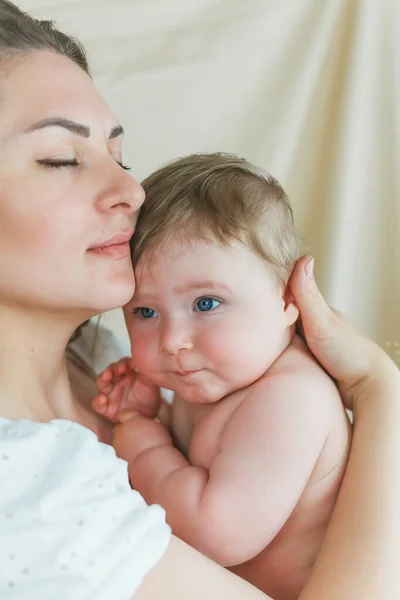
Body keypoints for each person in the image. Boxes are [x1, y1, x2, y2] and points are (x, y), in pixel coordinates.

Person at [0, 1, 398, 599]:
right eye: (61, 159)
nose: (132, 191)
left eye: (118, 155)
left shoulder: (104, 363)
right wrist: (378, 391)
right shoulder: (29, 486)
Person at [93, 153, 352, 600]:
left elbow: (214, 534)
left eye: (206, 303)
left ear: (288, 297)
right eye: (146, 312)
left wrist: (139, 436)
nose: (172, 340)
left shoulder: (291, 396)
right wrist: (149, 409)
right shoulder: (218, 379)